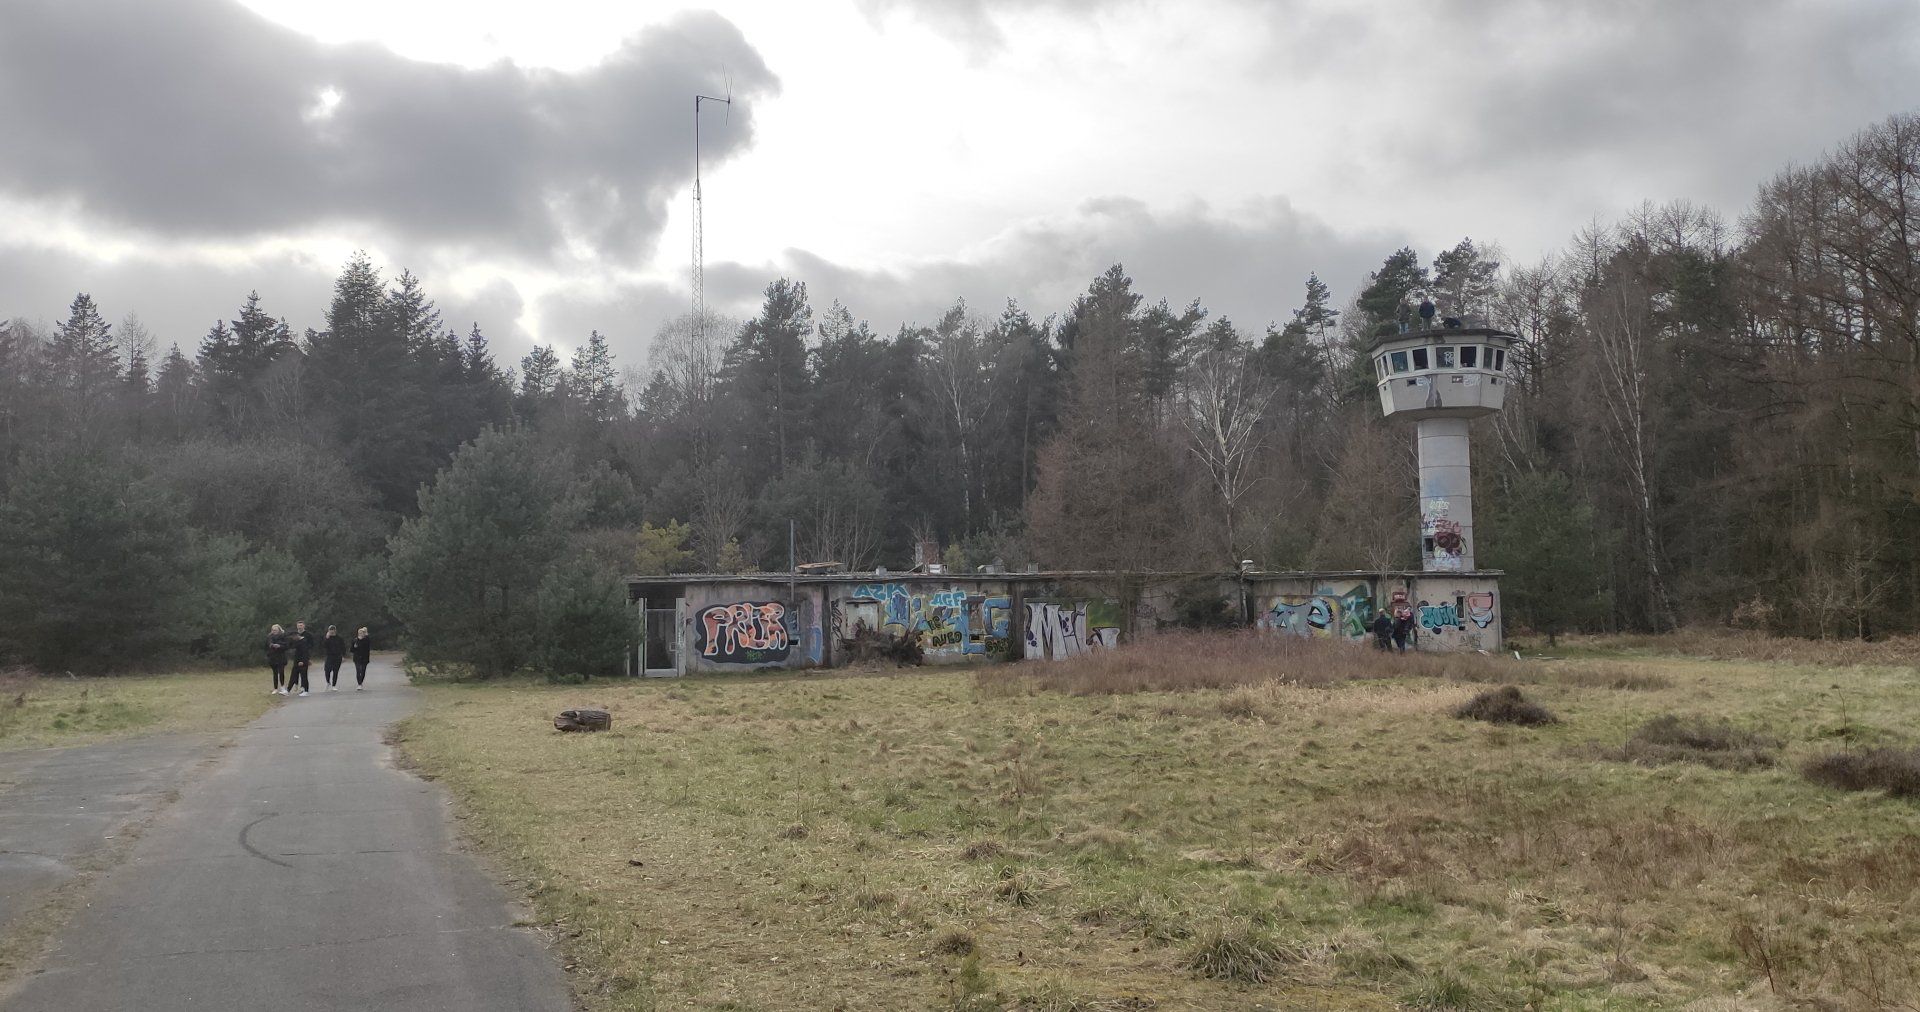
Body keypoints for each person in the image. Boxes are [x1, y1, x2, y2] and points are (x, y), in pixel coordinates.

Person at [289, 621, 314, 696]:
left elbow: (311, 645)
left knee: (303, 674)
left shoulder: (308, 635)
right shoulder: (294, 635)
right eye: (298, 625)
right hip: (297, 657)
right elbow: (291, 645)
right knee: (294, 673)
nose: (300, 627)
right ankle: (292, 687)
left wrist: (307, 658)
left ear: (304, 626)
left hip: (305, 656)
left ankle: (304, 689)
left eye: (301, 625)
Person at [265, 624, 289, 694]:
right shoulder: (269, 637)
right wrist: (271, 646)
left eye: (275, 630)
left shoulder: (283, 636)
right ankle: (275, 688)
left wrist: (279, 646)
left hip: (281, 657)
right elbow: (266, 645)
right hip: (272, 657)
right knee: (275, 673)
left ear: (279, 630)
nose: (274, 631)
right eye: (273, 630)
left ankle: (282, 687)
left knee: (281, 672)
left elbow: (287, 646)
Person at [321, 625, 346, 691]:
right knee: (327, 670)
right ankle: (328, 682)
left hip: (338, 656)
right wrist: (326, 638)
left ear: (335, 630)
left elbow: (343, 647)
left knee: (335, 671)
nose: (331, 631)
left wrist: (343, 656)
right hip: (329, 656)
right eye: (330, 630)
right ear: (328, 631)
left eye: (333, 630)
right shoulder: (327, 638)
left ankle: (334, 685)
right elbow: (323, 646)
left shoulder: (339, 638)